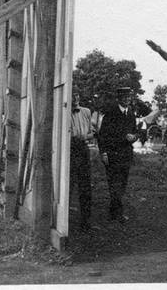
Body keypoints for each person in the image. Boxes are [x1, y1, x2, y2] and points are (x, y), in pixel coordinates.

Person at [97, 87, 138, 223]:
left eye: (129, 97)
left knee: (122, 184)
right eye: (124, 97)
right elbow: (102, 135)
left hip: (126, 155)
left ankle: (113, 211)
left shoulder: (130, 113)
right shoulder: (111, 113)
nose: (127, 99)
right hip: (113, 154)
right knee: (114, 184)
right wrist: (103, 152)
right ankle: (117, 213)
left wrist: (134, 137)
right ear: (119, 98)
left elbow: (135, 131)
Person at [70, 93, 94, 231]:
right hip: (69, 150)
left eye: (76, 97)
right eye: (72, 97)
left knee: (85, 186)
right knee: (68, 185)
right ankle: (64, 223)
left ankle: (86, 221)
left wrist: (85, 136)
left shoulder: (86, 112)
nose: (74, 100)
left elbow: (92, 133)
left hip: (83, 149)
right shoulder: (63, 111)